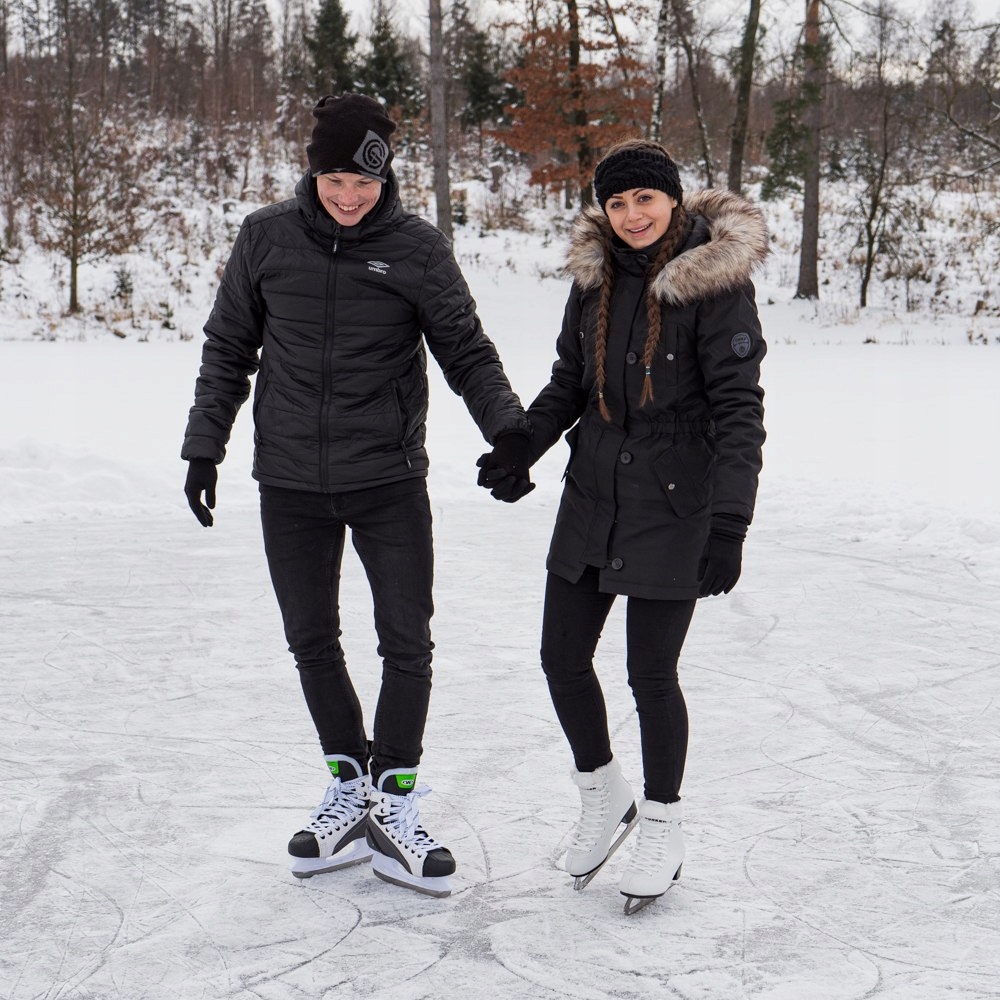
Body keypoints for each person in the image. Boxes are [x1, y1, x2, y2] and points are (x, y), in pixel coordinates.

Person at [182, 94, 533, 898]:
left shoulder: (416, 249)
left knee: (406, 642)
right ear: (313, 171)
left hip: (387, 481)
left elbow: (466, 350)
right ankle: (348, 786)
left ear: (386, 177)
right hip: (291, 483)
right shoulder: (265, 238)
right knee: (312, 638)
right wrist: (206, 443)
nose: (348, 196)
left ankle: (395, 801)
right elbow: (228, 347)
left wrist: (508, 431)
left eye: (363, 182)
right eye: (335, 177)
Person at [478, 138, 768, 913]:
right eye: (617, 202)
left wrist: (730, 522)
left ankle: (664, 823)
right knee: (560, 657)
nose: (632, 215)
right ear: (603, 211)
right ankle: (604, 795)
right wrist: (520, 447)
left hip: (677, 501)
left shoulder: (715, 286)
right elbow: (571, 380)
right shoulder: (596, 280)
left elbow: (740, 413)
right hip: (594, 492)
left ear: (672, 200)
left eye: (645, 199)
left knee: (650, 675)